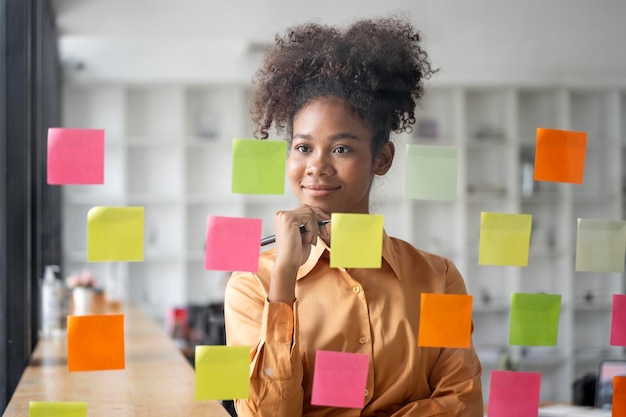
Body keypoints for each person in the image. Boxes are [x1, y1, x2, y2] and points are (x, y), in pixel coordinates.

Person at [224, 15, 483, 417]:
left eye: (341, 149)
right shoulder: (252, 283)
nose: (316, 166)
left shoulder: (438, 278)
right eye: (303, 147)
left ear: (382, 158)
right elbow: (265, 414)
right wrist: (284, 281)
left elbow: (463, 403)